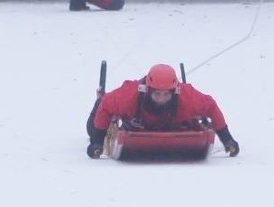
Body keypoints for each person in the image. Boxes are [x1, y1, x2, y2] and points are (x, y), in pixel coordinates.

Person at [86, 63, 240, 159]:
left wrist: (227, 139)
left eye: (166, 94)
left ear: (175, 92)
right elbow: (106, 106)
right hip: (132, 121)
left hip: (172, 123)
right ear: (147, 90)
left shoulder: (187, 96)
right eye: (157, 94)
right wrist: (97, 142)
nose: (161, 99)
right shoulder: (129, 95)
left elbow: (211, 107)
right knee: (92, 126)